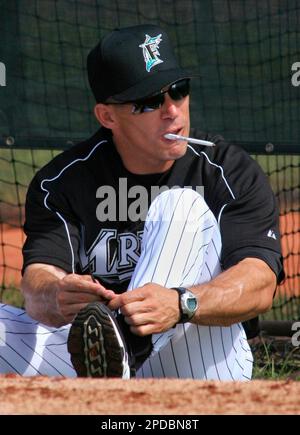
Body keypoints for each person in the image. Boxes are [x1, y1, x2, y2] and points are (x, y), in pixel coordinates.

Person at [0, 24, 284, 380]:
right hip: (95, 360)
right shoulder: (63, 181)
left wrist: (182, 303)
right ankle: (115, 359)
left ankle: (127, 345)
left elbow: (260, 282)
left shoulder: (226, 169)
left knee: (181, 205)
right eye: (150, 101)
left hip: (196, 353)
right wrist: (56, 294)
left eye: (178, 91)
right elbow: (38, 280)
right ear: (107, 116)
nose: (172, 111)